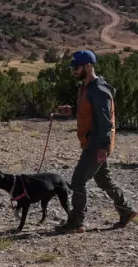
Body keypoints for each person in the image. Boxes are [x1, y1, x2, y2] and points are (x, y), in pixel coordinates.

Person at [53, 50, 136, 233]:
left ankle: (77, 222)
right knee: (103, 179)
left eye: (77, 67)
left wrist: (103, 147)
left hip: (96, 143)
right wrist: (72, 110)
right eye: (73, 68)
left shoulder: (98, 90)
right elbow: (89, 110)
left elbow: (105, 122)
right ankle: (126, 211)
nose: (74, 71)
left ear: (88, 66)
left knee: (78, 181)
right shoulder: (87, 87)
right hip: (95, 142)